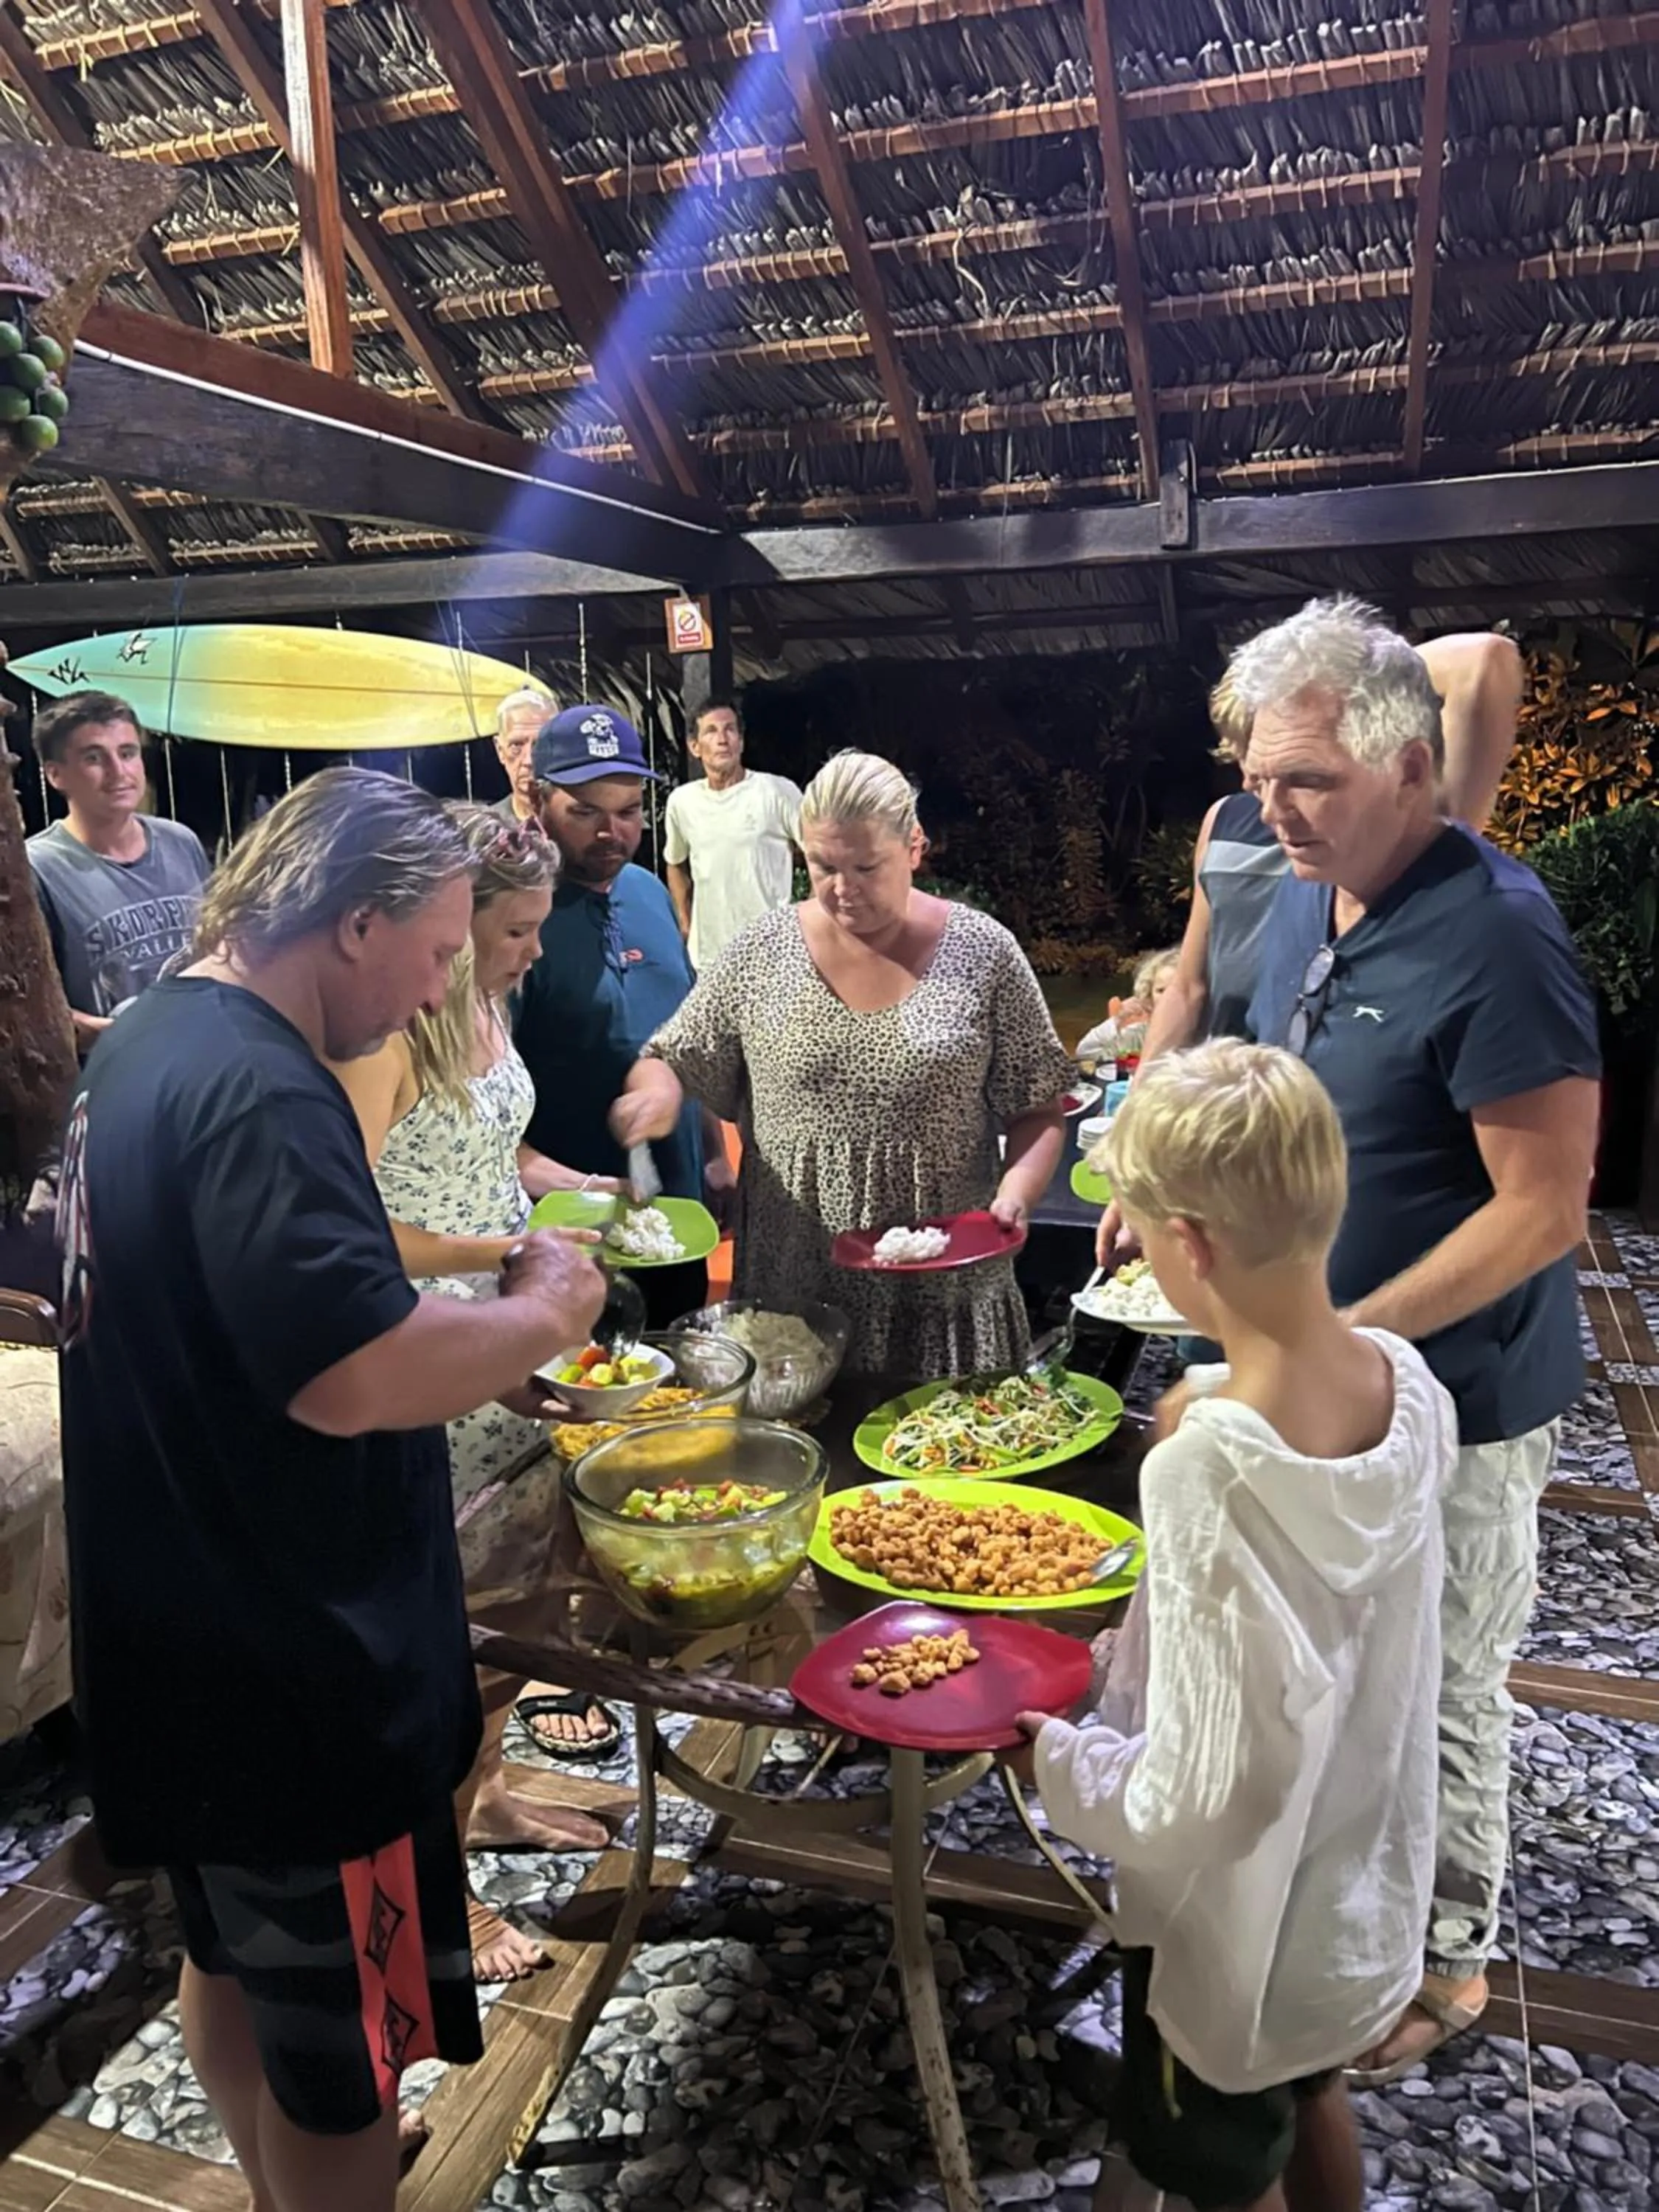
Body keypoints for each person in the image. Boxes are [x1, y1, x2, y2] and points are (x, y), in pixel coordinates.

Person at [56, 768, 605, 2212]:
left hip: (183, 1655)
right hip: (303, 1682)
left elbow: (264, 1332)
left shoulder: (147, 1045)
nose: (436, 991)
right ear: (354, 923)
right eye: (435, 953)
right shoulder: (262, 1088)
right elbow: (351, 1371)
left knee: (230, 1971)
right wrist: (547, 1308)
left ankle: (278, 2174)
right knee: (352, 2063)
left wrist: (484, 1356)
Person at [1232, 598, 1600, 2080]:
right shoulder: (1297, 887)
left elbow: (1546, 1211)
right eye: (1261, 774)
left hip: (1460, 1396)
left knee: (1446, 1673)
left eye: (1308, 779)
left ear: (1406, 767)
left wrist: (1350, 1335)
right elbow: (1267, 1070)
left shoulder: (1500, 932)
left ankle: (1448, 1961)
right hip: (1325, 1376)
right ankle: (1347, 1889)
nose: (1275, 806)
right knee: (1346, 1656)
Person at [1022, 1041, 1453, 2212]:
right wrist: (1212, 1393)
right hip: (1354, 1888)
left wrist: (1057, 1761)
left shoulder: (1207, 1473)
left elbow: (1208, 1795)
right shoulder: (1411, 1387)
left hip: (1234, 1930)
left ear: (1190, 1248)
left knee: (1212, 2164)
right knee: (1311, 2094)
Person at [333, 804, 626, 1982]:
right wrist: (495, 1258)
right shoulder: (384, 1039)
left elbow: (494, 1153)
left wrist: (576, 1188)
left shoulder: (484, 1014)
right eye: (509, 933)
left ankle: (489, 1790)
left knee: (509, 1610)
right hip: (432, 1362)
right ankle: (437, 1895)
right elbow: (343, 1218)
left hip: (505, 1348)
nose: (529, 953)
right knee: (441, 1644)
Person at [613, 751, 1074, 1379]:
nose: (842, 887)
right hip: (797, 1276)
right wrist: (657, 1094)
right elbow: (672, 1055)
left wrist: (1014, 1198)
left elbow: (1040, 1106)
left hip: (942, 1270)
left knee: (946, 1457)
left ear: (915, 846)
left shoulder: (983, 952)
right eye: (822, 865)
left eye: (866, 866)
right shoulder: (761, 951)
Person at [1095, 626, 1523, 1267]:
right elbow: (1191, 985)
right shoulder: (1228, 821)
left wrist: (1353, 679)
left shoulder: (1386, 833)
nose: (1263, 785)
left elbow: (1484, 661)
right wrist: (1140, 1137)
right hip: (1219, 1124)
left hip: (1332, 1133)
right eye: (1250, 755)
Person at [513, 703, 728, 1323]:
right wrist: (573, 1188)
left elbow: (688, 1038)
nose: (612, 833)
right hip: (572, 1233)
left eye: (629, 812)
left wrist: (713, 1154)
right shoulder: (516, 918)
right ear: (537, 803)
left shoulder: (650, 891)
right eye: (584, 813)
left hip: (675, 1214)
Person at [27, 689, 211, 1052]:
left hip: (201, 1065)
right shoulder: (38, 869)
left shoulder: (180, 842)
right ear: (55, 774)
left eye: (127, 754)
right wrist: (116, 1036)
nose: (118, 772)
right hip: (111, 1081)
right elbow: (27, 1010)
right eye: (94, 758)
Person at [663, 699, 804, 972]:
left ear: (741, 741)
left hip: (771, 958)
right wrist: (684, 921)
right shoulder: (682, 802)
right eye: (711, 731)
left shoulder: (777, 792)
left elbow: (820, 853)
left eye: (730, 730)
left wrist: (810, 916)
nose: (722, 739)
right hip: (708, 960)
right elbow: (675, 862)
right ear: (695, 747)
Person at [1075, 946, 1179, 1068]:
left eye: (1176, 989)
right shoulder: (1137, 1036)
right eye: (1161, 990)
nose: (1167, 997)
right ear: (1149, 996)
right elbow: (1085, 1053)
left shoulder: (1203, 1036)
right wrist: (1117, 1021)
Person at [490, 684, 557, 824]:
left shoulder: (582, 828)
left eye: (540, 745)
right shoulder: (486, 831)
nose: (529, 761)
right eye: (516, 746)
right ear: (500, 750)